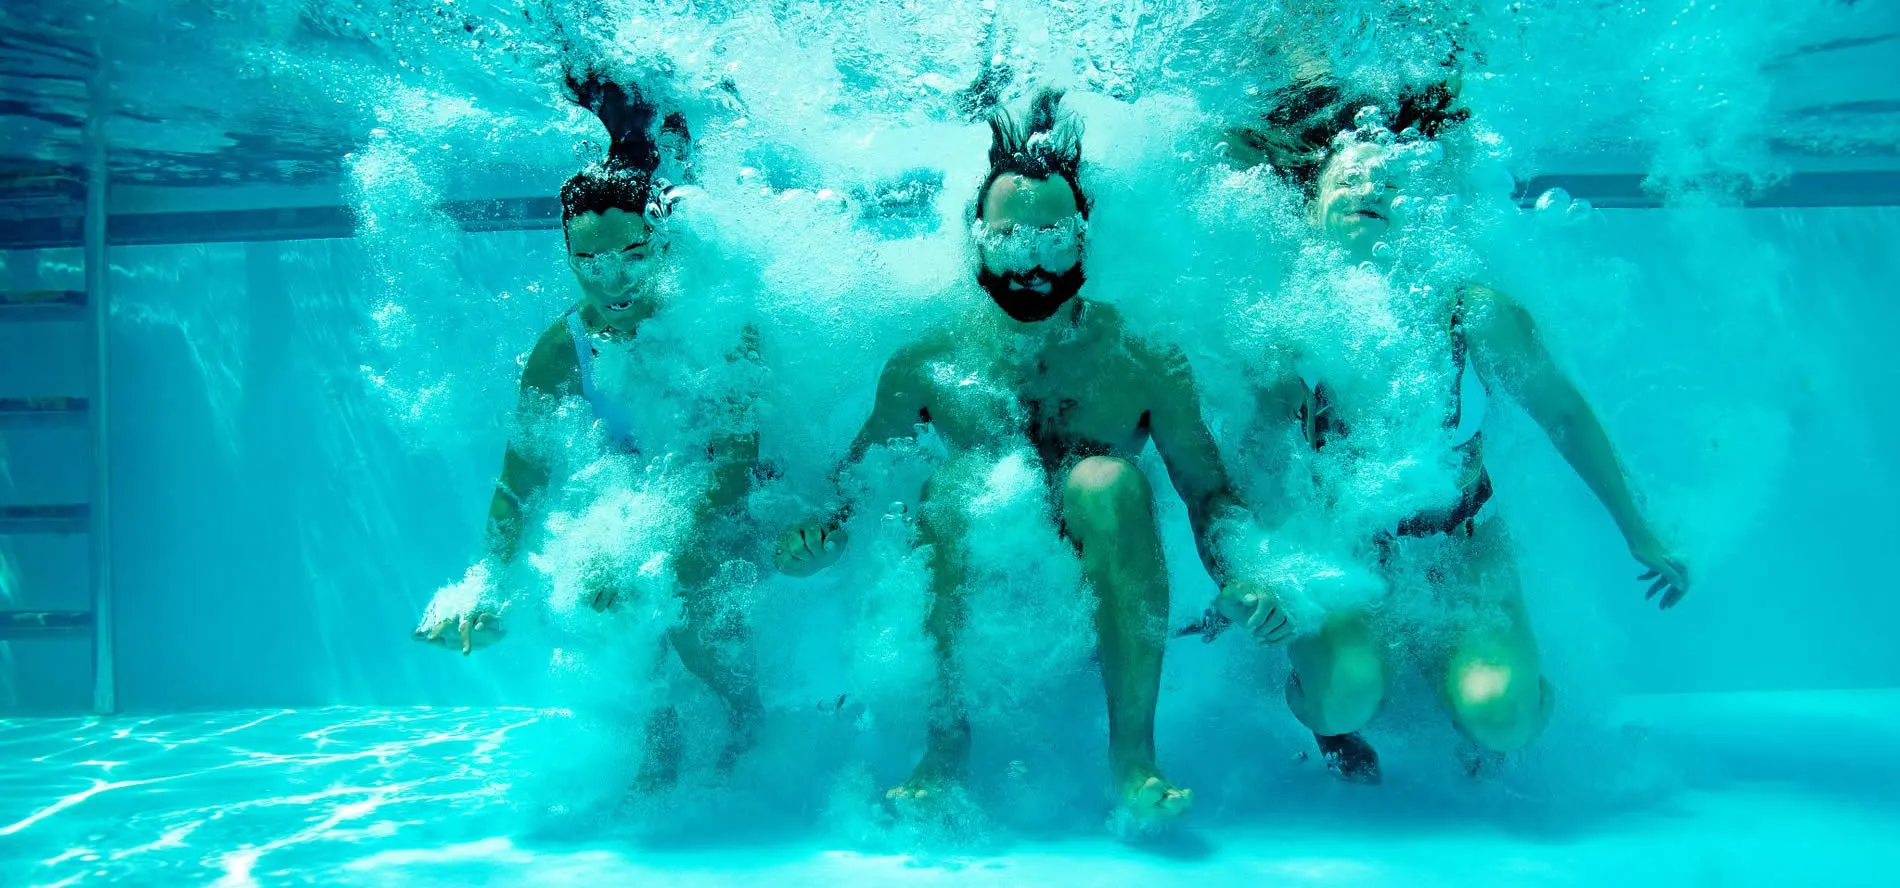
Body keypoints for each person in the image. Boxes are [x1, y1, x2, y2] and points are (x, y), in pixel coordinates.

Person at [775, 89, 1275, 824]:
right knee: (957, 485)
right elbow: (854, 489)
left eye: (1052, 239)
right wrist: (815, 538)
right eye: (1011, 239)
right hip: (983, 591)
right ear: (976, 239)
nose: (1032, 264)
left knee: (1108, 480)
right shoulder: (927, 365)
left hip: (1106, 588)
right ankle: (945, 748)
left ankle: (1133, 757)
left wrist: (1241, 574)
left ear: (1083, 239)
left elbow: (1209, 494)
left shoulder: (1142, 362)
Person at [1217, 88, 1692, 781]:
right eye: (1348, 177)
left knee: (1503, 717)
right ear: (1309, 206)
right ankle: (1329, 721)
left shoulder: (1475, 316)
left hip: (1464, 545)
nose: (1369, 189)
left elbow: (1564, 414)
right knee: (1342, 698)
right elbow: (1250, 465)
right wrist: (1250, 574)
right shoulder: (1286, 332)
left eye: (1390, 181)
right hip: (1344, 548)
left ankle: (1490, 702)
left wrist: (1638, 530)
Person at [412, 71, 764, 785]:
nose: (612, 280)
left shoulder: (716, 327)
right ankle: (659, 749)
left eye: (631, 254)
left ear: (659, 242)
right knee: (607, 599)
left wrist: (647, 544)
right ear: (568, 257)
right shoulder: (559, 350)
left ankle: (749, 722)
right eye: (590, 261)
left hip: (727, 496)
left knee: (683, 604)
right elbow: (519, 482)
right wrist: (485, 583)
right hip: (636, 500)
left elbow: (735, 467)